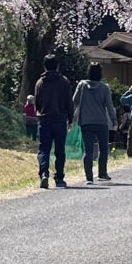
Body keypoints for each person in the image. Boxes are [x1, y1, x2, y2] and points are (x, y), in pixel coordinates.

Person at [72, 62, 118, 184]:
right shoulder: (104, 87)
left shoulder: (82, 85)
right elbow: (109, 105)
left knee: (88, 150)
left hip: (86, 121)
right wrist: (114, 120)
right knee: (103, 149)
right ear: (100, 74)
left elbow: (74, 100)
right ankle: (102, 173)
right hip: (101, 121)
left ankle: (89, 177)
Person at [34, 54, 74, 189]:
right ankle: (59, 178)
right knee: (59, 150)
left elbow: (37, 103)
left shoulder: (40, 82)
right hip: (60, 119)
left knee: (43, 149)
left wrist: (39, 113)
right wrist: (70, 117)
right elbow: (69, 102)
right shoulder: (64, 81)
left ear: (44, 66)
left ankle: (44, 174)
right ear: (57, 66)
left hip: (44, 119)